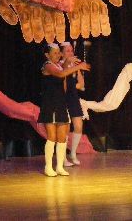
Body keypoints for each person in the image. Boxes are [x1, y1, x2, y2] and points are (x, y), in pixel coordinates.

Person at [38, 43, 90, 177]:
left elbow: (65, 84)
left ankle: (60, 166)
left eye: (58, 52)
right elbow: (60, 74)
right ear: (47, 55)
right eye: (54, 53)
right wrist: (78, 66)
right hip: (50, 105)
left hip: (61, 104)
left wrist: (70, 65)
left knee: (62, 137)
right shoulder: (47, 65)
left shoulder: (60, 66)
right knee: (52, 137)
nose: (58, 55)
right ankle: (48, 167)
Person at [60, 41, 85, 166]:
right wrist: (70, 65)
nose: (70, 53)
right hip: (62, 99)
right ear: (61, 53)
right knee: (65, 129)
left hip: (73, 98)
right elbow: (62, 76)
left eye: (71, 50)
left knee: (79, 126)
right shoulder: (59, 65)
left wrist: (78, 68)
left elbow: (81, 84)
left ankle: (73, 153)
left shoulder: (74, 66)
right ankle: (63, 158)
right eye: (67, 51)